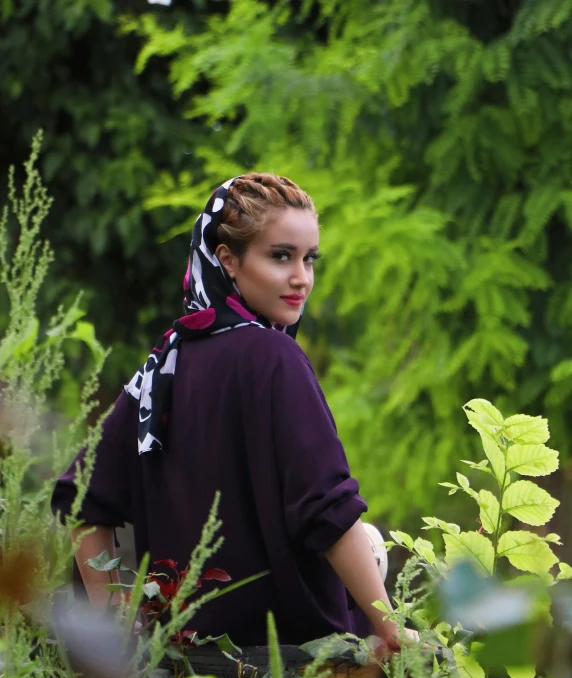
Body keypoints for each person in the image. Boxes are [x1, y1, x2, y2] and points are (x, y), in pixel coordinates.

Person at [51, 173, 406, 651]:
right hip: (289, 662)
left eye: (309, 258)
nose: (301, 277)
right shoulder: (274, 358)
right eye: (281, 256)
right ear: (228, 260)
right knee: (372, 543)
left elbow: (81, 495)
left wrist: (113, 622)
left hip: (182, 668)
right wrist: (391, 629)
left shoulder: (163, 366)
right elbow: (329, 509)